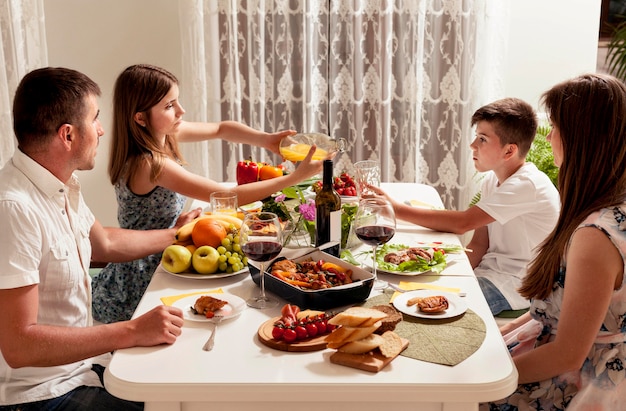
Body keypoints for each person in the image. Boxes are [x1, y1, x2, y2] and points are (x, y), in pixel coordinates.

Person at [0, 67, 203, 410]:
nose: (101, 129)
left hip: (83, 370)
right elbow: (20, 346)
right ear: (68, 135)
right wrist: (132, 331)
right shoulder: (14, 208)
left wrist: (177, 235)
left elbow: (104, 244)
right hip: (41, 394)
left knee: (189, 382)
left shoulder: (58, 185)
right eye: (94, 119)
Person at [91, 64, 324, 323]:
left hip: (174, 251)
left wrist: (265, 139)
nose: (181, 111)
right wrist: (294, 178)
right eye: (169, 106)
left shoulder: (165, 133)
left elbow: (221, 129)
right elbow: (226, 196)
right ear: (140, 118)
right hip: (146, 271)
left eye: (177, 101)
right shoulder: (150, 164)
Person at [483, 73, 626, 410]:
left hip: (576, 384)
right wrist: (496, 339)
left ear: (581, 139)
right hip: (552, 353)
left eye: (555, 129)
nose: (550, 139)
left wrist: (482, 379)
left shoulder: (595, 236)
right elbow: (553, 312)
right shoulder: (604, 209)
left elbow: (568, 354)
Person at [369, 98, 560, 315]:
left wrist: (395, 209)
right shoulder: (492, 181)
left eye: (482, 139)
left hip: (516, 285)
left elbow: (463, 223)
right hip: (489, 274)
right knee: (408, 295)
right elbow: (479, 244)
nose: (473, 145)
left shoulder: (528, 184)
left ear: (509, 151)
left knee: (417, 310)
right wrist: (454, 275)